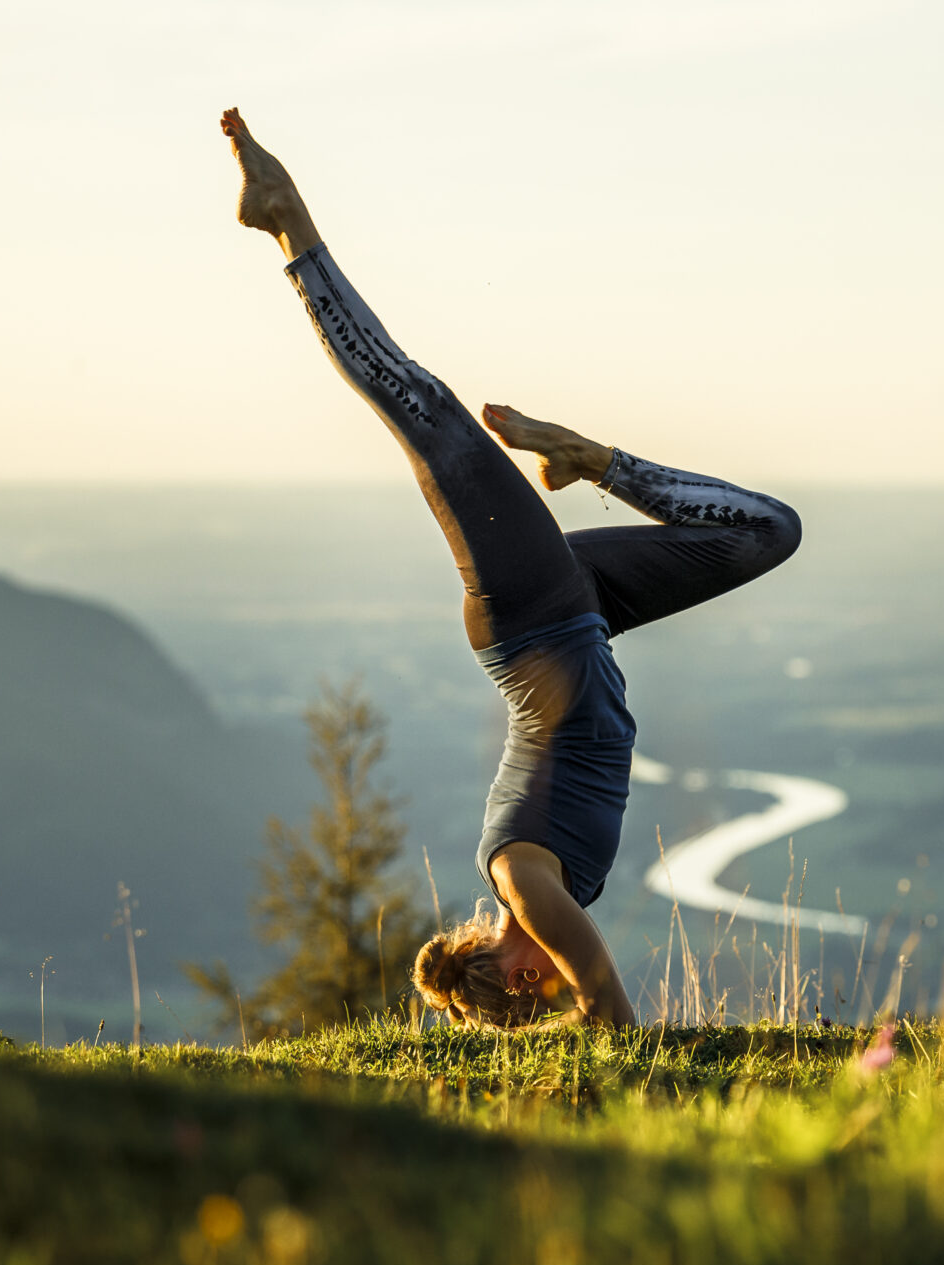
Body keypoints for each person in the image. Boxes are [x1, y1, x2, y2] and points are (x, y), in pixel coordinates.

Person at [221, 109, 802, 1027]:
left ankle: (289, 223)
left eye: (532, 986)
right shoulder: (547, 893)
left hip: (532, 610)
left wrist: (583, 1035)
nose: (554, 977)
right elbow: (593, 995)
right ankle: (588, 458)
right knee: (767, 533)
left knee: (425, 411)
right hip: (584, 615)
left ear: (513, 969)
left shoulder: (525, 883)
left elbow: (608, 1008)